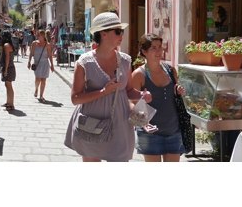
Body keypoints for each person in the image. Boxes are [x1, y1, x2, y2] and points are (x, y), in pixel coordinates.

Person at [64, 12, 152, 162]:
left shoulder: (125, 61)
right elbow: (75, 98)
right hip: (92, 124)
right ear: (103, 34)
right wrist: (104, 91)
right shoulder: (85, 62)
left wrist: (142, 95)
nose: (122, 34)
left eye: (122, 30)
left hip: (120, 125)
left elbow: (128, 91)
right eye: (118, 31)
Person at [132, 33, 186, 162]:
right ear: (144, 51)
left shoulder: (170, 70)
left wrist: (179, 91)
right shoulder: (138, 75)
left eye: (160, 47)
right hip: (150, 134)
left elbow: (174, 96)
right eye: (154, 48)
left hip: (174, 130)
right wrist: (143, 124)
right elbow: (132, 104)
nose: (159, 51)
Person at [27, 29, 55, 102]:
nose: (37, 36)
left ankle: (41, 95)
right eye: (37, 35)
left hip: (45, 64)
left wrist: (52, 65)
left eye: (38, 35)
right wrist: (29, 62)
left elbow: (50, 56)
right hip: (37, 63)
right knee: (38, 78)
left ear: (42, 36)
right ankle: (36, 89)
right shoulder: (34, 43)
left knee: (43, 80)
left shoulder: (47, 45)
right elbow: (31, 53)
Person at [1, 31, 16, 111]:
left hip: (9, 68)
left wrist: (6, 69)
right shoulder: (9, 45)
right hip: (9, 67)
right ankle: (8, 102)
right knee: (7, 86)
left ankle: (11, 104)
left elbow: (7, 58)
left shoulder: (6, 45)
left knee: (9, 86)